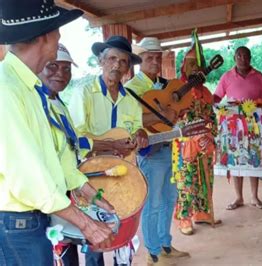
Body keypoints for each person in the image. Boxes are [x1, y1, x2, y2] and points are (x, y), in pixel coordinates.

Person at [0, 1, 113, 265]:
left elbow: (56, 153)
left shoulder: (29, 87)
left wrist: (88, 192)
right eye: (57, 31)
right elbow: (26, 174)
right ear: (44, 36)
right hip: (16, 224)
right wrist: (86, 224)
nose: (60, 37)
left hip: (31, 220)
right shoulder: (6, 89)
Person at [68, 35, 149, 266]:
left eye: (123, 61)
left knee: (124, 227)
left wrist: (140, 134)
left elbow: (135, 129)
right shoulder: (84, 94)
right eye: (112, 58)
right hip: (91, 176)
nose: (117, 65)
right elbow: (76, 136)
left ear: (127, 68)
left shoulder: (131, 101)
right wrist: (110, 146)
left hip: (123, 173)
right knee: (95, 232)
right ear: (101, 61)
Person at [37, 44, 119, 266]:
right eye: (53, 66)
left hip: (69, 185)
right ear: (37, 65)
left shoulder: (58, 104)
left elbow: (71, 145)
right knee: (64, 249)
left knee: (85, 242)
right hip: (45, 199)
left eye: (66, 68)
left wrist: (91, 194)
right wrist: (106, 144)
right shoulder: (35, 103)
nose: (61, 74)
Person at [125, 37, 189, 265]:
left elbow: (174, 111)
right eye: (149, 57)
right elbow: (131, 120)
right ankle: (152, 253)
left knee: (169, 199)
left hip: (170, 147)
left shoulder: (166, 84)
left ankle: (165, 244)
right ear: (139, 60)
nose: (154, 61)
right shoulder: (132, 88)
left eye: (158, 57)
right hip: (151, 152)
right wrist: (163, 116)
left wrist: (176, 114)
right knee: (152, 203)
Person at [171, 30, 222, 235]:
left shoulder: (207, 93)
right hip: (185, 145)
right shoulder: (177, 90)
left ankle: (202, 213)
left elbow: (211, 117)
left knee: (205, 178)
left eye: (198, 66)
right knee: (187, 181)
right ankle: (184, 217)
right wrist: (192, 135)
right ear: (184, 67)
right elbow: (175, 117)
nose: (195, 69)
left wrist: (210, 133)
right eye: (191, 65)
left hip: (205, 143)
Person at [213, 46, 262, 210]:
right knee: (236, 158)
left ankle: (255, 197)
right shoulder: (227, 76)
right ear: (234, 58)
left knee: (253, 158)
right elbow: (216, 97)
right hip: (233, 126)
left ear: (250, 57)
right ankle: (238, 197)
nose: (242, 58)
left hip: (254, 124)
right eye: (239, 55)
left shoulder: (259, 76)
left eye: (245, 55)